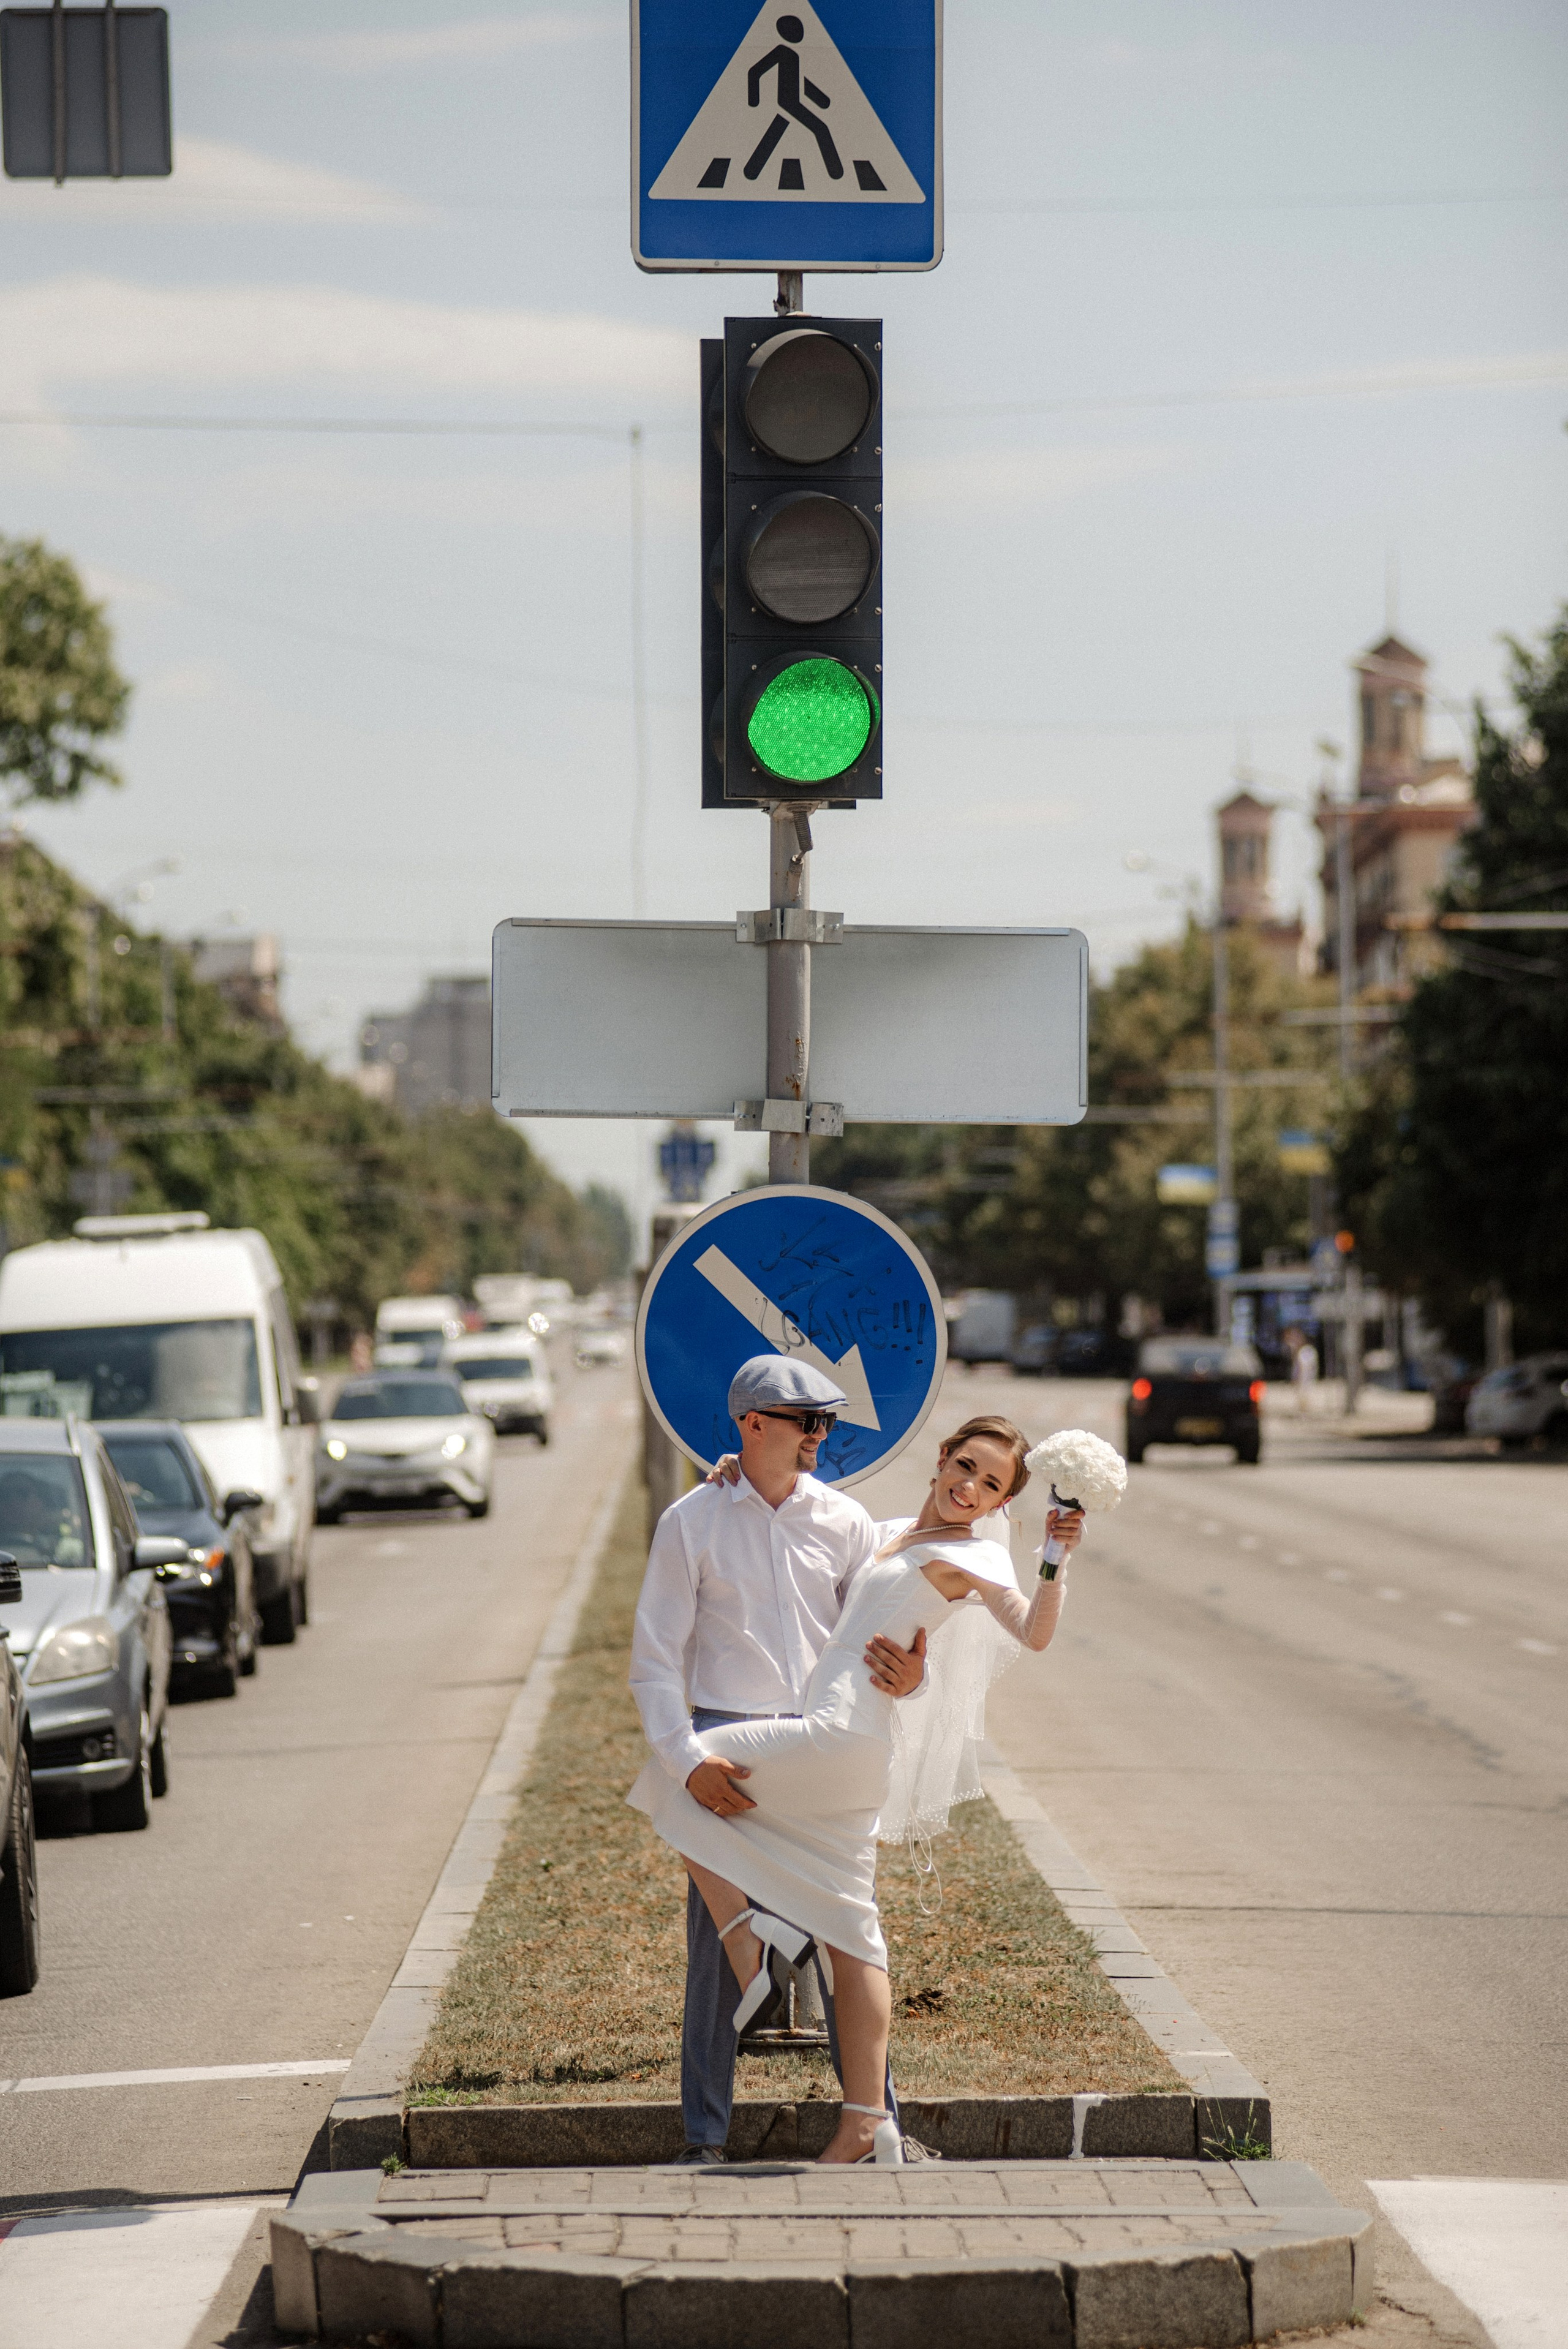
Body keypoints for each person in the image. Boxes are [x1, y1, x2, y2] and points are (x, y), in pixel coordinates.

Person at [629, 1414, 1085, 2165]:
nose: (970, 1487)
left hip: (834, 1733)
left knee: (678, 1771)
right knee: (853, 1932)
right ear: (942, 1457)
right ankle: (869, 2122)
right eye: (965, 1466)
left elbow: (1031, 1631)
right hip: (854, 1744)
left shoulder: (972, 1554)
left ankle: (749, 1943)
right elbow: (845, 1582)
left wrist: (1054, 1559)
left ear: (1003, 1503)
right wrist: (734, 1474)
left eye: (991, 1484)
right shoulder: (883, 1532)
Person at [628, 1354, 928, 2165]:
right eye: (809, 1421)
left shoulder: (847, 1522)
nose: (822, 1436)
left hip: (818, 1742)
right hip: (728, 1746)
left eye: (827, 1421)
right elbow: (654, 1659)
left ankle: (881, 2125)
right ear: (754, 1423)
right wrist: (686, 1759)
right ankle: (704, 2136)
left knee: (845, 1930)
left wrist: (914, 1674)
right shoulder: (690, 1521)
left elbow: (886, 1636)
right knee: (715, 1948)